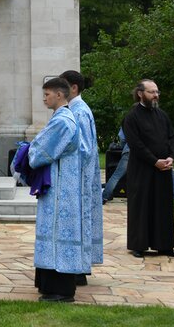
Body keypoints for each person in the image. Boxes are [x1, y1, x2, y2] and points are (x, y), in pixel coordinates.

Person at [28, 77, 85, 303]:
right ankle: (49, 285)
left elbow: (42, 151)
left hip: (62, 187)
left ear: (60, 95)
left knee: (59, 233)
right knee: (53, 233)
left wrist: (27, 154)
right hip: (59, 183)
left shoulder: (63, 121)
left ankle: (61, 291)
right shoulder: (60, 117)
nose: (44, 98)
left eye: (47, 94)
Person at [122, 79, 174, 259]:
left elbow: (173, 137)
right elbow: (136, 144)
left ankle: (165, 245)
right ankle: (138, 245)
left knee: (163, 207)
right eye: (151, 92)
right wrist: (155, 161)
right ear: (140, 94)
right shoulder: (132, 117)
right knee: (141, 206)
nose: (156, 95)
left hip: (163, 170)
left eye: (157, 92)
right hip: (142, 170)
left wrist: (171, 156)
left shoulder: (162, 115)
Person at [59, 70, 104, 283]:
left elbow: (83, 147)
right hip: (78, 175)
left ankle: (77, 268)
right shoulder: (75, 109)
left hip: (78, 177)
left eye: (63, 87)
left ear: (73, 88)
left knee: (78, 221)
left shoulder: (79, 112)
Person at [102, 128, 129, 203]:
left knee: (116, 176)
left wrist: (123, 146)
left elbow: (122, 137)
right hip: (144, 153)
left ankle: (105, 196)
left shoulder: (129, 119)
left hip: (129, 150)